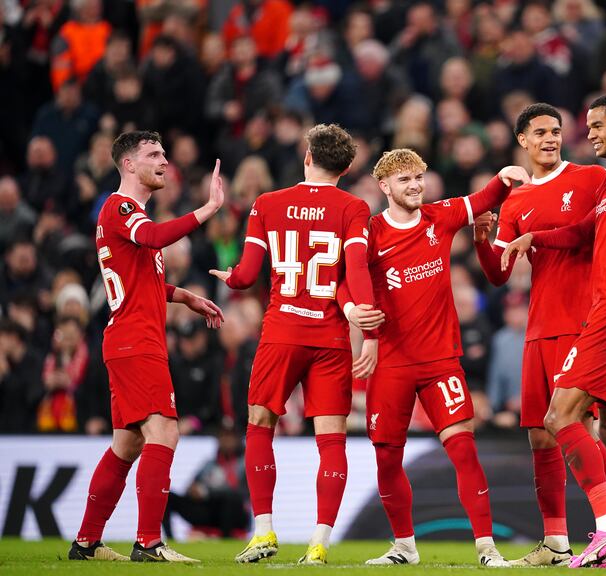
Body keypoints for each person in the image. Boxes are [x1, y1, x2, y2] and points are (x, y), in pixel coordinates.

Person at [501, 21, 606, 568]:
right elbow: (581, 233)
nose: (590, 134)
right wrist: (534, 236)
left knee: (560, 417)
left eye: (599, 125)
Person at [342, 148, 529, 567]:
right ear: (384, 187)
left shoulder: (439, 217)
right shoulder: (369, 232)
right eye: (405, 180)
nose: (415, 186)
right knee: (387, 456)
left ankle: (487, 548)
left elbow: (482, 200)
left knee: (464, 451)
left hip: (441, 360)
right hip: (390, 362)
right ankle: (404, 546)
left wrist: (503, 177)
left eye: (419, 178)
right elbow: (342, 282)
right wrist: (353, 311)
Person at [210, 124, 384, 565]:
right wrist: (369, 330)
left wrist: (229, 277)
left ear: (307, 157)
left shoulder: (267, 204)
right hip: (329, 338)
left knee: (258, 425)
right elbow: (357, 272)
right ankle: (319, 543)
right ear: (345, 168)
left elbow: (247, 275)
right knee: (332, 441)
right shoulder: (354, 207)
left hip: (281, 333)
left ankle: (264, 531)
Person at [69, 130, 226, 563]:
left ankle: (86, 543)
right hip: (137, 342)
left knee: (127, 445)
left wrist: (186, 296)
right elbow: (156, 238)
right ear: (128, 164)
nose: (163, 162)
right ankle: (149, 542)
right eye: (153, 155)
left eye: (164, 154)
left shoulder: (127, 218)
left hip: (127, 340)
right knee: (165, 431)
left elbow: (144, 280)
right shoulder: (122, 208)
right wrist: (209, 208)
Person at [472, 102, 606, 566]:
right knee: (541, 439)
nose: (550, 138)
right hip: (539, 326)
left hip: (583, 320)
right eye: (540, 132)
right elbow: (499, 273)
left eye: (556, 131)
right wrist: (481, 239)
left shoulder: (590, 179)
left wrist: (540, 239)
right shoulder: (516, 201)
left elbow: (597, 231)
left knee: (578, 425)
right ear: (523, 142)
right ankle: (555, 542)